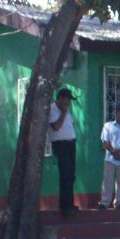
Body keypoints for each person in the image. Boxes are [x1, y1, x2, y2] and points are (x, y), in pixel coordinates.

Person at [49, 87, 78, 216]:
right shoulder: (52, 109)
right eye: (67, 100)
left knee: (71, 175)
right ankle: (65, 206)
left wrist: (65, 112)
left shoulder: (66, 111)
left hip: (71, 144)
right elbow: (56, 127)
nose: (68, 103)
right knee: (65, 174)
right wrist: (63, 113)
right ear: (60, 98)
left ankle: (70, 204)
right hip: (61, 145)